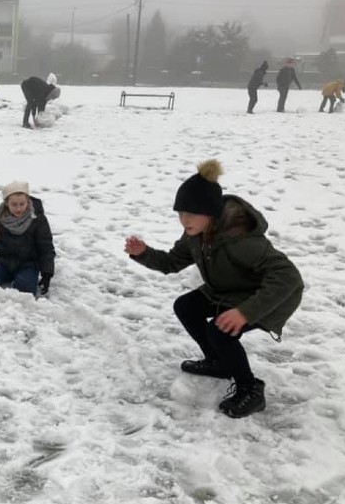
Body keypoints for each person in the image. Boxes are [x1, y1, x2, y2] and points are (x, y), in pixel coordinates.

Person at [124, 159, 303, 418]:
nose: (184, 220)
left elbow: (289, 278)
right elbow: (173, 262)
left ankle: (250, 389)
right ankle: (219, 362)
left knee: (219, 330)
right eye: (180, 213)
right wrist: (144, 253)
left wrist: (245, 312)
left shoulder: (242, 240)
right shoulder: (195, 234)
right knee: (186, 306)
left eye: (191, 213)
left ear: (211, 213)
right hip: (229, 290)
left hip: (266, 297)